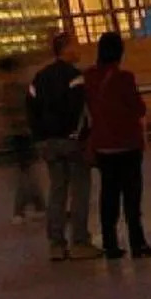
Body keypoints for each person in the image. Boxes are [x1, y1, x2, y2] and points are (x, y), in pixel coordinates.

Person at [83, 32, 151, 259]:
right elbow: (138, 108)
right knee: (132, 195)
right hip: (127, 144)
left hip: (103, 145)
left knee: (109, 193)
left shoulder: (89, 77)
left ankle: (110, 243)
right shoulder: (124, 78)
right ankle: (137, 242)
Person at [25, 33, 100, 261]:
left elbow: (31, 109)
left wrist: (40, 137)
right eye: (75, 44)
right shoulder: (75, 77)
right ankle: (80, 241)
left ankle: (56, 243)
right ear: (65, 48)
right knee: (79, 189)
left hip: (47, 143)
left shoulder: (39, 78)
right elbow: (78, 110)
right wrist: (78, 136)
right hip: (71, 142)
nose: (79, 48)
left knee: (57, 190)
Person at [0, 54, 46, 223]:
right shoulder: (19, 89)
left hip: (20, 135)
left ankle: (23, 209)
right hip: (22, 135)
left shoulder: (10, 91)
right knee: (27, 174)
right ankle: (37, 206)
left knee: (25, 174)